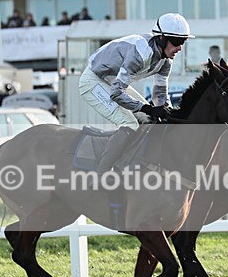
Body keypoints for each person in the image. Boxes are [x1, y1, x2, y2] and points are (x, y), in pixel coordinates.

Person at [78, 12, 193, 172]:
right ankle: (101, 173)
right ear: (161, 38)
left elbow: (160, 91)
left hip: (111, 80)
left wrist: (166, 111)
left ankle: (134, 164)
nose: (179, 47)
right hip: (93, 81)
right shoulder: (140, 54)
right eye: (176, 41)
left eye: (183, 42)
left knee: (150, 120)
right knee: (129, 123)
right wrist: (147, 108)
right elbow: (117, 94)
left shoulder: (166, 60)